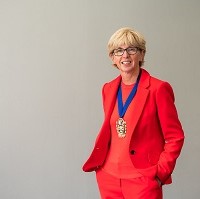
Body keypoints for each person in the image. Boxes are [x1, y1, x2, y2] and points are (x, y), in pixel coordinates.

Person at [82, 27, 184, 199]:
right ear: (112, 57)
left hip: (143, 179)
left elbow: (175, 137)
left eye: (132, 49)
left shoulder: (158, 89)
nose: (125, 55)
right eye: (119, 50)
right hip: (109, 177)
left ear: (142, 54)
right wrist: (103, 172)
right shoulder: (108, 89)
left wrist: (160, 174)